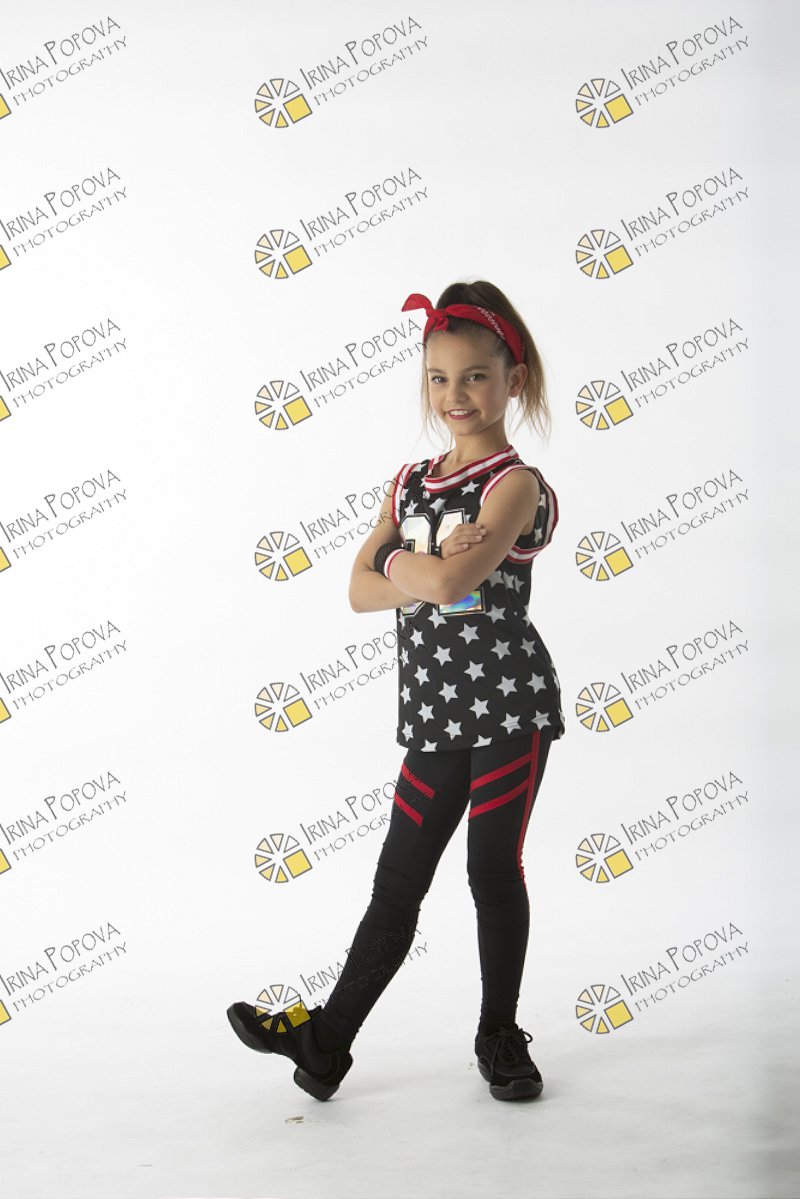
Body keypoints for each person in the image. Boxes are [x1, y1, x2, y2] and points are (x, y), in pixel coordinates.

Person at [227, 279, 566, 1103]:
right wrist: (423, 564)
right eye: (439, 377)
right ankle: (326, 1042)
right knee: (397, 882)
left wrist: (403, 563)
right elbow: (358, 590)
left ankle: (499, 1033)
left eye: (476, 375)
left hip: (509, 705)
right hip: (436, 712)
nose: (456, 394)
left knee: (491, 868)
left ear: (513, 379)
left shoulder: (514, 484)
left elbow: (445, 585)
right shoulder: (409, 481)